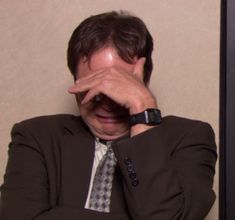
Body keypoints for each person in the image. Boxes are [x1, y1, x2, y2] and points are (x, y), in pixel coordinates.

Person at [0, 11, 217, 220]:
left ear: (143, 83)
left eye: (118, 86)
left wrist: (143, 109)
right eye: (94, 85)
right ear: (75, 81)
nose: (107, 104)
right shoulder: (35, 136)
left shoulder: (190, 138)